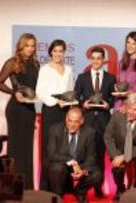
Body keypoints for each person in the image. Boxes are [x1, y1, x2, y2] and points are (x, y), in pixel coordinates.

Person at [0, 33, 39, 189]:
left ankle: (27, 186)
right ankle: (13, 186)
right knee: (15, 147)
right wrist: (14, 93)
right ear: (21, 46)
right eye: (27, 45)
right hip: (15, 109)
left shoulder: (36, 64)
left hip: (29, 108)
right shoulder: (12, 62)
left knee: (27, 148)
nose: (30, 49)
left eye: (32, 45)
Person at [74, 46, 116, 197]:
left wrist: (108, 105)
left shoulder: (111, 78)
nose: (96, 61)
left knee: (100, 156)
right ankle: (83, 188)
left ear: (103, 60)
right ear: (90, 59)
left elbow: (114, 97)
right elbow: (76, 96)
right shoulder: (82, 77)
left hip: (104, 121)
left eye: (99, 58)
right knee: (86, 156)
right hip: (87, 121)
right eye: (93, 58)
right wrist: (82, 104)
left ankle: (98, 186)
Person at [36, 39, 74, 189]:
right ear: (50, 52)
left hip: (65, 111)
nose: (58, 54)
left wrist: (69, 104)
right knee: (49, 147)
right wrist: (55, 101)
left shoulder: (69, 70)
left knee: (64, 147)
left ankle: (64, 185)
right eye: (55, 51)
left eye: (61, 51)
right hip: (51, 110)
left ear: (64, 53)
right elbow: (40, 91)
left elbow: (70, 90)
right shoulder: (44, 69)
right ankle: (46, 185)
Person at [47, 107, 101, 203]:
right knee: (56, 168)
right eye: (70, 121)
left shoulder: (90, 132)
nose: (72, 125)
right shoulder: (55, 129)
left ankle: (79, 192)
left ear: (81, 121)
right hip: (62, 163)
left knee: (96, 174)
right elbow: (52, 154)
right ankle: (58, 196)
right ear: (66, 119)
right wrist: (72, 161)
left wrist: (83, 171)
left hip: (80, 165)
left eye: (76, 122)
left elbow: (91, 157)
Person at [104, 95, 136, 201]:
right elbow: (108, 136)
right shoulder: (117, 116)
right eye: (130, 108)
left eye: (135, 109)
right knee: (117, 168)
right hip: (119, 149)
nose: (131, 112)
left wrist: (125, 156)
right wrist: (116, 155)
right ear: (126, 107)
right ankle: (120, 189)